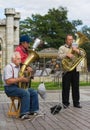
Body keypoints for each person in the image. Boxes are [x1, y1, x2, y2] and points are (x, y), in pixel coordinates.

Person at [3, 52, 39, 120]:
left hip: (17, 87)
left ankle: (33, 111)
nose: (20, 60)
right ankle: (24, 113)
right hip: (9, 88)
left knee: (33, 91)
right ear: (13, 59)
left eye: (20, 59)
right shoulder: (8, 67)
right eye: (18, 59)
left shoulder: (19, 67)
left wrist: (30, 72)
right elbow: (8, 81)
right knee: (25, 93)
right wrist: (21, 79)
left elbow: (26, 78)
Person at [58, 34, 83, 109]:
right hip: (66, 70)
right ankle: (65, 103)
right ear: (66, 40)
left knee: (76, 87)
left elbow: (82, 54)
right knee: (66, 87)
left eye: (72, 39)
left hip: (75, 69)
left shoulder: (76, 46)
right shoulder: (62, 47)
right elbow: (58, 56)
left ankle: (76, 103)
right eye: (69, 39)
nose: (70, 41)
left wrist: (77, 50)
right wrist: (66, 54)